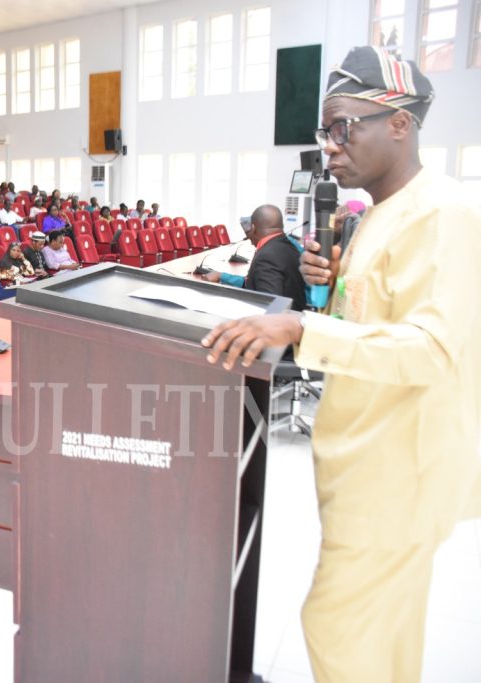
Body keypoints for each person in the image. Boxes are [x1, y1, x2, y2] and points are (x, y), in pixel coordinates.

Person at [202, 46, 481, 683]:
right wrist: (329, 288)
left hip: (399, 470)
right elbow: (374, 321)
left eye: (343, 128)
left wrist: (304, 326)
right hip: (370, 460)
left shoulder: (444, 213)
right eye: (324, 131)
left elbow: (432, 349)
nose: (328, 147)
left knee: (336, 627)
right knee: (387, 637)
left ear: (400, 124)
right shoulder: (381, 214)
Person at [199, 204, 306, 311]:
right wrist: (221, 276)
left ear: (253, 228)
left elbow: (269, 306)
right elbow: (252, 282)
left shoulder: (266, 256)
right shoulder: (291, 247)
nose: (250, 241)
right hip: (296, 314)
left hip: (282, 318)